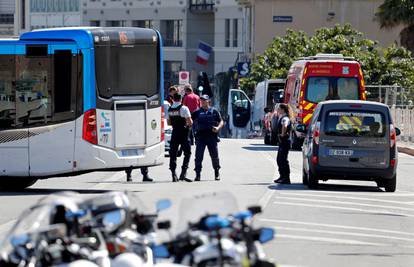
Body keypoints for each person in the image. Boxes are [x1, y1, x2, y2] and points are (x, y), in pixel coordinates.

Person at [192, 94, 224, 181]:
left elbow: (221, 121)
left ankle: (216, 172)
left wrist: (218, 128)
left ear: (208, 101)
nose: (202, 102)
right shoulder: (197, 112)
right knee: (198, 156)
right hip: (200, 137)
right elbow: (189, 120)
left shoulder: (214, 111)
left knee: (214, 156)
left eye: (204, 100)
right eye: (201, 100)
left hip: (212, 137)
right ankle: (197, 174)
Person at [168, 93, 193, 182]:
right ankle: (183, 173)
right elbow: (190, 122)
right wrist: (187, 124)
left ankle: (173, 174)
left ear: (173, 99)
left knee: (173, 154)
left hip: (174, 133)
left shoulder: (170, 109)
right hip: (183, 133)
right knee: (187, 153)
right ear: (181, 99)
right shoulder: (184, 108)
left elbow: (169, 123)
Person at [274, 103, 294, 184]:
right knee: (279, 159)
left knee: (283, 160)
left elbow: (285, 126)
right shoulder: (282, 117)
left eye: (279, 108)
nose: (277, 110)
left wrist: (282, 134)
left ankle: (286, 178)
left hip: (285, 141)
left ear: (282, 109)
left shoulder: (285, 118)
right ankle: (282, 176)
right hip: (283, 141)